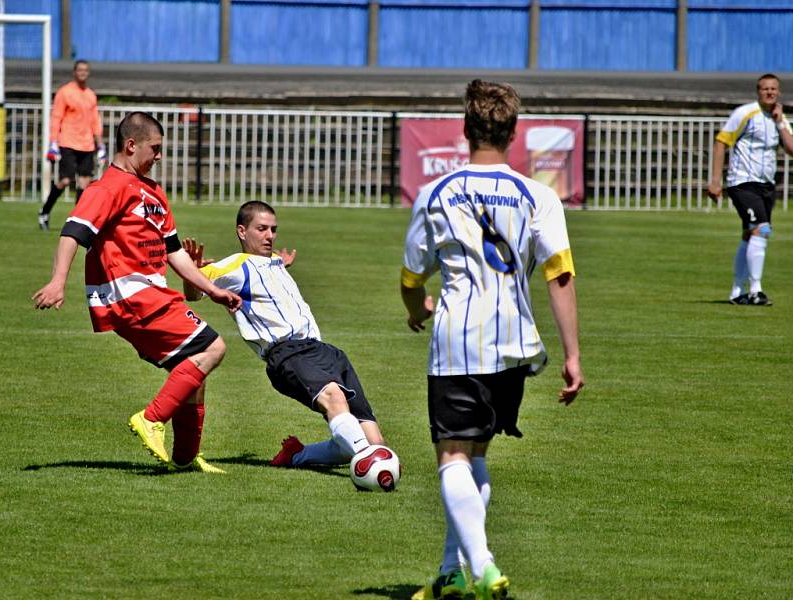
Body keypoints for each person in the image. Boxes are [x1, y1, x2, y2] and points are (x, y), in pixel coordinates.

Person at [401, 80, 584, 600]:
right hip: (515, 343)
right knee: (475, 453)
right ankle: (451, 574)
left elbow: (413, 276)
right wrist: (572, 354)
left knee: (452, 455)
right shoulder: (538, 195)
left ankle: (481, 566)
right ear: (513, 132)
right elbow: (561, 275)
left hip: (459, 338)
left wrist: (416, 312)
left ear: (465, 129)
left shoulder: (438, 192)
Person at [32, 111, 242, 473]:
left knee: (191, 369)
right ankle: (151, 419)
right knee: (212, 347)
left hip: (153, 293)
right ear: (131, 145)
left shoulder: (154, 192)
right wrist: (57, 281)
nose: (160, 156)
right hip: (129, 294)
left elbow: (174, 251)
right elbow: (73, 232)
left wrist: (212, 289)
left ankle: (186, 458)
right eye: (155, 148)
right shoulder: (108, 188)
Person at [181, 200, 387, 473]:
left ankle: (298, 455)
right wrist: (192, 273)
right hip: (288, 354)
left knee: (376, 443)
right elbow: (194, 294)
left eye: (273, 230)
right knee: (337, 404)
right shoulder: (233, 266)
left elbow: (270, 275)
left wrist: (281, 264)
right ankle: (369, 470)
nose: (269, 236)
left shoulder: (273, 262)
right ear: (242, 232)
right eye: (262, 229)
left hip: (324, 350)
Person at [707, 73, 793, 306]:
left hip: (766, 184)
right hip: (742, 182)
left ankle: (737, 291)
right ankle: (756, 289)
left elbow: (791, 148)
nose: (770, 93)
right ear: (758, 91)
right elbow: (721, 142)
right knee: (761, 231)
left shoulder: (779, 117)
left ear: (779, 92)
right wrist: (715, 180)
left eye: (773, 89)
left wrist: (780, 122)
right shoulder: (745, 113)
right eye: (765, 89)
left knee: (750, 234)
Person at [38, 60, 106, 231]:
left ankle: (76, 221)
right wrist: (53, 142)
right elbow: (56, 117)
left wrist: (101, 146)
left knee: (84, 184)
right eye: (80, 70)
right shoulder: (65, 92)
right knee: (65, 180)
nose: (83, 73)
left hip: (87, 145)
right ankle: (44, 212)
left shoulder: (90, 94)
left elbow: (95, 121)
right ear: (74, 72)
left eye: (86, 70)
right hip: (68, 142)